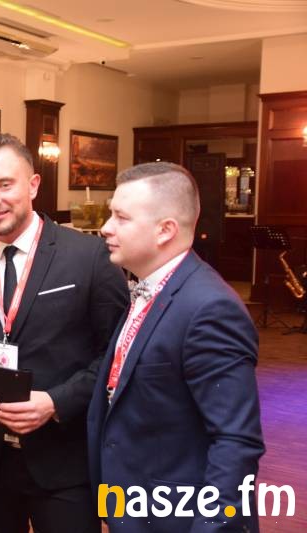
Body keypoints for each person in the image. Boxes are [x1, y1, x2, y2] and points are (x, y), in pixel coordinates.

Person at [0, 131, 129, 533]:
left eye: (5, 184)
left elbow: (117, 356)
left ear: (33, 185)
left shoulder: (90, 257)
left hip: (65, 461)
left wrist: (55, 402)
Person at [87, 162, 265, 532]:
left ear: (165, 230)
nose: (106, 228)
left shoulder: (209, 308)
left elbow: (235, 441)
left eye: (121, 217)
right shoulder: (149, 287)